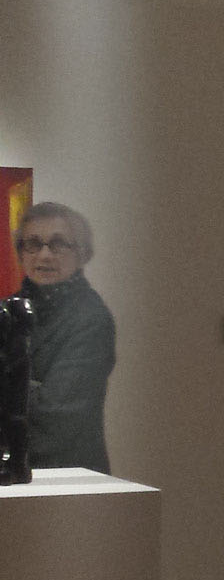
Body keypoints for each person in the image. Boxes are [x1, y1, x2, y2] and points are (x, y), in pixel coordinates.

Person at [12, 202, 116, 473]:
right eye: (33, 244)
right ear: (21, 253)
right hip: (14, 472)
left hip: (69, 476)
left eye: (58, 244)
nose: (44, 255)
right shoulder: (9, 310)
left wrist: (11, 386)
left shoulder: (91, 318)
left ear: (82, 254)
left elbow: (57, 413)